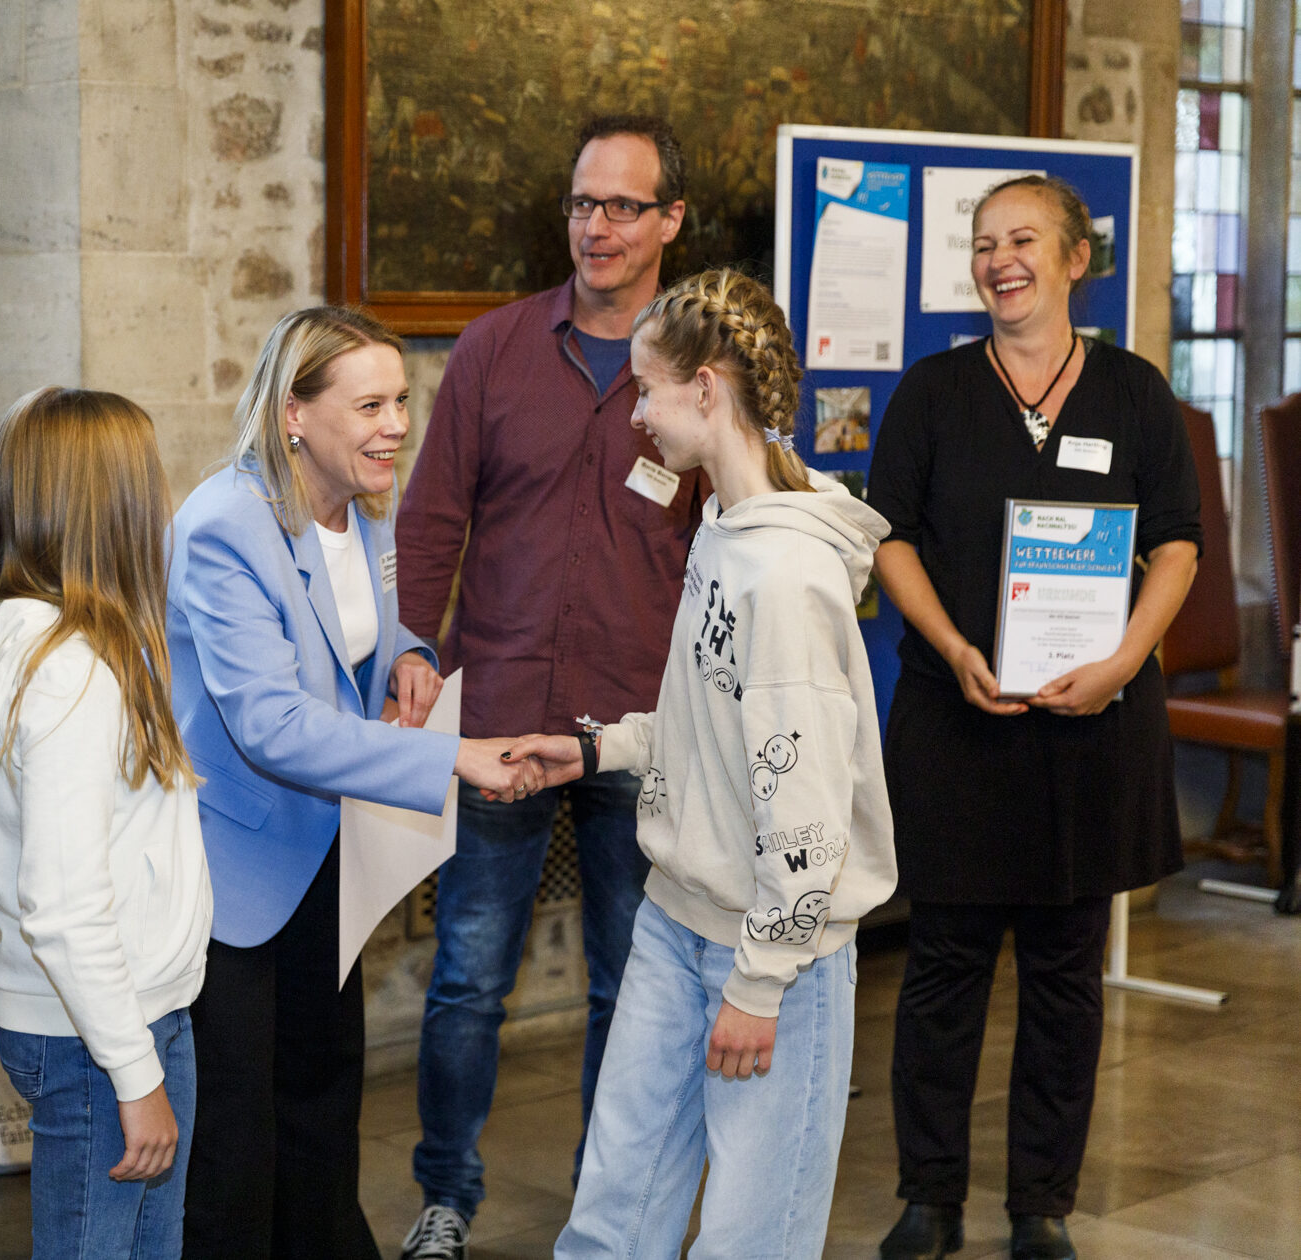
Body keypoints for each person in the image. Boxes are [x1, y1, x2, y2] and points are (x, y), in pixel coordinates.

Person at [503, 269, 896, 1259]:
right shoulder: (720, 529)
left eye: (648, 391)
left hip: (775, 956)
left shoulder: (790, 573)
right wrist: (597, 748)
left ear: (709, 390)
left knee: (748, 1239)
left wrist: (759, 985)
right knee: (611, 1215)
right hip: (674, 922)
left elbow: (804, 811)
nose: (638, 416)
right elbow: (700, 716)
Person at [866, 175, 1200, 1260]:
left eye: (1022, 240)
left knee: (1065, 977)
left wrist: (1121, 661)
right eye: (983, 243)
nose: (999, 259)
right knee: (944, 968)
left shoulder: (1137, 395)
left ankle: (1041, 1206)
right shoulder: (933, 391)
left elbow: (1179, 544)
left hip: (1091, 731)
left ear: (1073, 260)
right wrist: (956, 649)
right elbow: (892, 539)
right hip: (960, 721)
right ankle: (930, 1195)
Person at [394, 114, 707, 1259]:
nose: (598, 226)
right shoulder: (494, 350)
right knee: (469, 980)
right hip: (504, 726)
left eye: (625, 206)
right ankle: (446, 1196)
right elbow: (433, 517)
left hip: (642, 730)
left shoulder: (699, 372)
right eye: (583, 203)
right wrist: (411, 648)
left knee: (634, 989)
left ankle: (608, 1205)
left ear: (671, 220)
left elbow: (732, 539)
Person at [170, 306, 542, 1260]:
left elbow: (359, 642)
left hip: (327, 859)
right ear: (295, 414)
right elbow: (271, 725)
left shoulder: (364, 511)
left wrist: (412, 654)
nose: (396, 426)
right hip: (235, 877)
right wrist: (448, 756)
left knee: (324, 1099)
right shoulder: (223, 526)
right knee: (237, 1140)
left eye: (402, 401)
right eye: (370, 404)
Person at [0, 388, 211, 1260]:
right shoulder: (73, 673)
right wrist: (134, 1073)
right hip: (99, 1037)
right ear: (115, 507)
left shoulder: (47, 642)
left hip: (125, 1018)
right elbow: (59, 901)